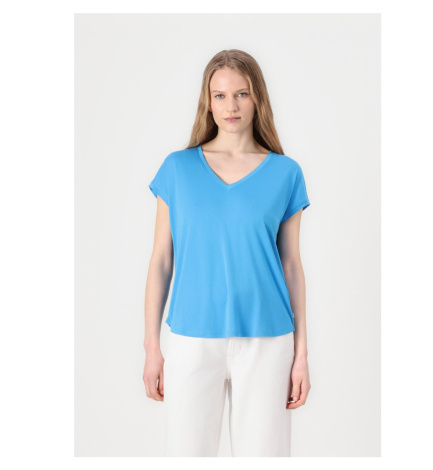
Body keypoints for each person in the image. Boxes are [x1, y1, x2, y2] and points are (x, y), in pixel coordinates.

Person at [142, 49, 312, 457]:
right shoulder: (178, 169)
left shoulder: (285, 172)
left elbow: (291, 265)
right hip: (191, 338)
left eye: (241, 94)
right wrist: (151, 347)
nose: (230, 106)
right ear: (208, 101)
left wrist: (301, 353)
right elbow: (161, 260)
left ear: (257, 99)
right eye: (219, 95)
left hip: (267, 340)